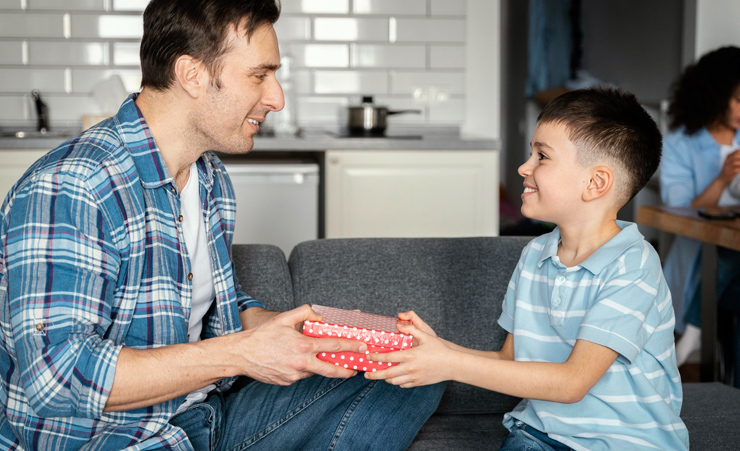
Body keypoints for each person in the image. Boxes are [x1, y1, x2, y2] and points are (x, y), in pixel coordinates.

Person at [0, 1, 445, 450]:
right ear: (191, 74)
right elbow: (56, 378)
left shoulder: (208, 176)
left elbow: (204, 303)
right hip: (116, 439)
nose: (277, 98)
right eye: (259, 75)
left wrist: (300, 332)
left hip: (203, 416)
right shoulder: (74, 185)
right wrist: (242, 354)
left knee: (419, 370)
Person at [366, 88, 689, 450]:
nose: (524, 167)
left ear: (596, 183)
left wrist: (448, 365)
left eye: (542, 156)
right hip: (538, 436)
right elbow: (510, 359)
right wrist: (438, 349)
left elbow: (572, 383)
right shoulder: (535, 254)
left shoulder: (633, 265)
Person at [660, 45, 740, 370]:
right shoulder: (681, 144)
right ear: (714, 96)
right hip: (703, 258)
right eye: (737, 99)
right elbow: (679, 211)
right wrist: (722, 179)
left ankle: (696, 335)